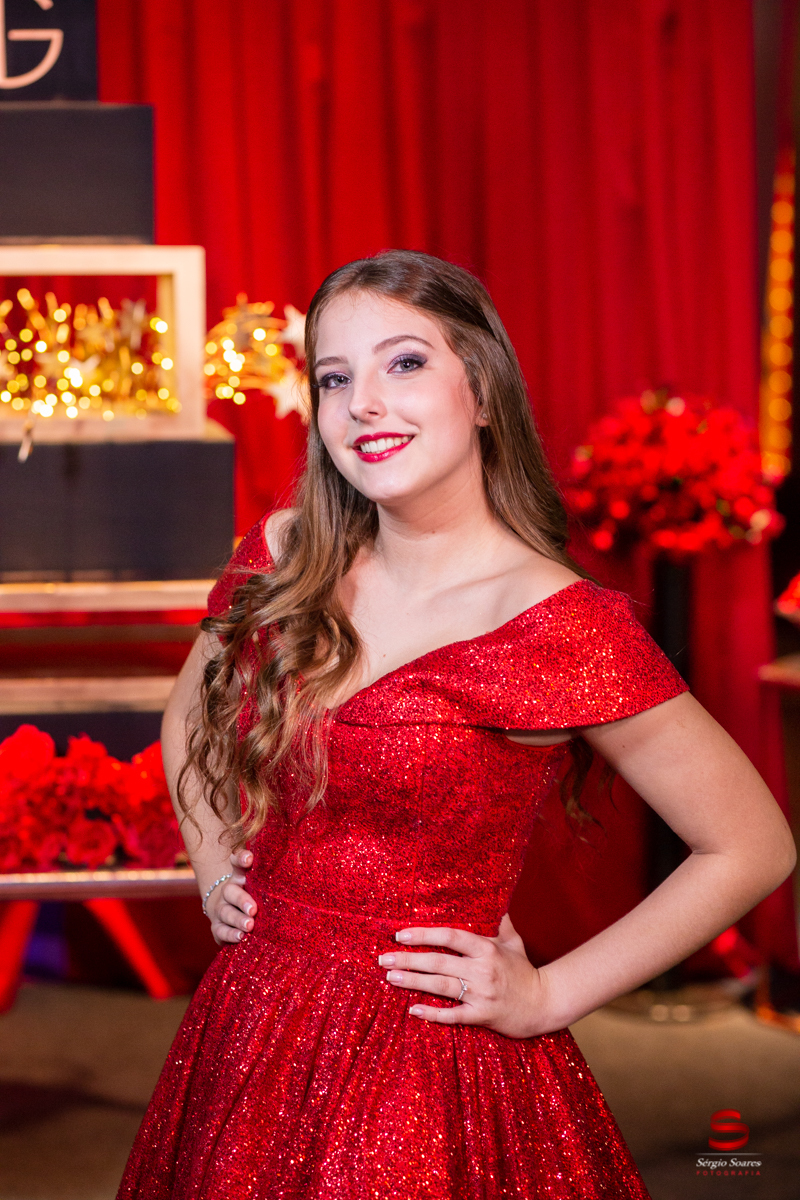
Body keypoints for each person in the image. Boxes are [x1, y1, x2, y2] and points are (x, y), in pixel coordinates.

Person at [118, 250, 796, 1200]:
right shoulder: (286, 552)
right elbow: (190, 708)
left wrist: (551, 992)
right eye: (334, 378)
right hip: (250, 1024)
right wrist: (212, 858)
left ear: (480, 389)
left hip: (422, 1061)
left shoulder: (557, 624)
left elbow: (751, 845)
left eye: (404, 363)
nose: (363, 404)